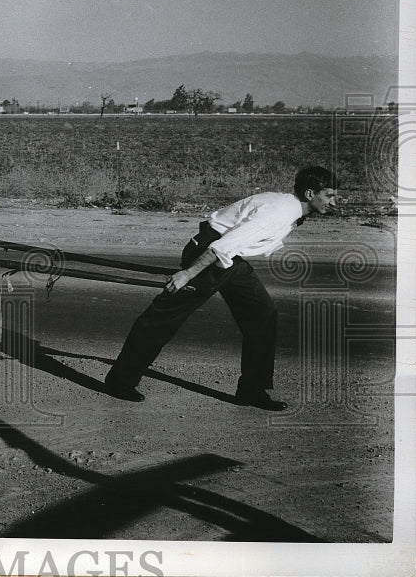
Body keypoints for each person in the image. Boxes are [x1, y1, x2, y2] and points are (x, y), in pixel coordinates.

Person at [104, 166, 338, 411]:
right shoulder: (279, 212)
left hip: (230, 260)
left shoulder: (288, 209)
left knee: (262, 314)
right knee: (163, 317)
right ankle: (119, 382)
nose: (333, 203)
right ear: (310, 194)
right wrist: (188, 273)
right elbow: (221, 247)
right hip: (210, 253)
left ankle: (251, 389)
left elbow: (232, 247)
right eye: (329, 195)